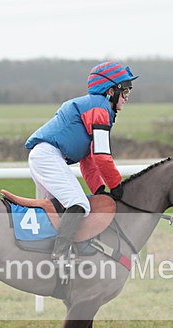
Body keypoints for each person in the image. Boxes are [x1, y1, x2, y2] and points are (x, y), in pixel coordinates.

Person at [25, 61, 138, 262]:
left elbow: (88, 160)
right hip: (47, 156)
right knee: (78, 204)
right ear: (111, 91)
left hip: (45, 156)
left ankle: (52, 252)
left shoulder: (96, 107)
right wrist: (116, 185)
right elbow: (102, 156)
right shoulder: (100, 109)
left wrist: (99, 189)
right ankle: (60, 255)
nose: (127, 97)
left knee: (64, 209)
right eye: (125, 91)